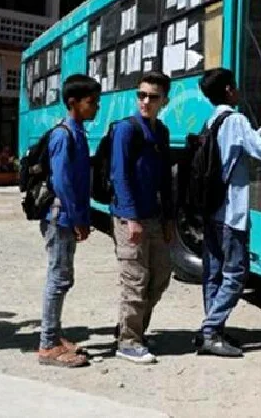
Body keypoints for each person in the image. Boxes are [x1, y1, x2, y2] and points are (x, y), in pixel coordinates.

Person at [199, 68, 261, 357]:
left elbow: (241, 147)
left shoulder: (213, 120)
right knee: (236, 273)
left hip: (212, 211)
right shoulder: (235, 119)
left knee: (214, 273)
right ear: (230, 90)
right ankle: (210, 331)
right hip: (232, 213)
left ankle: (212, 327)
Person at [109, 72, 174, 365]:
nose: (146, 101)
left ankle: (132, 328)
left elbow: (164, 180)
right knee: (135, 280)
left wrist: (169, 218)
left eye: (153, 96)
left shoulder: (161, 131)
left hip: (154, 217)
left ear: (165, 101)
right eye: (141, 95)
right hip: (129, 218)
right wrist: (130, 217)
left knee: (160, 276)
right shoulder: (126, 129)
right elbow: (119, 175)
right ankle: (129, 341)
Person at [37, 75, 100, 368]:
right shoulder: (64, 134)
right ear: (73, 102)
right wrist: (76, 219)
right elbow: (62, 182)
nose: (96, 107)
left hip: (67, 217)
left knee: (63, 277)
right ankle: (48, 344)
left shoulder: (77, 131)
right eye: (92, 102)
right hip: (60, 218)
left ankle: (54, 335)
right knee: (58, 278)